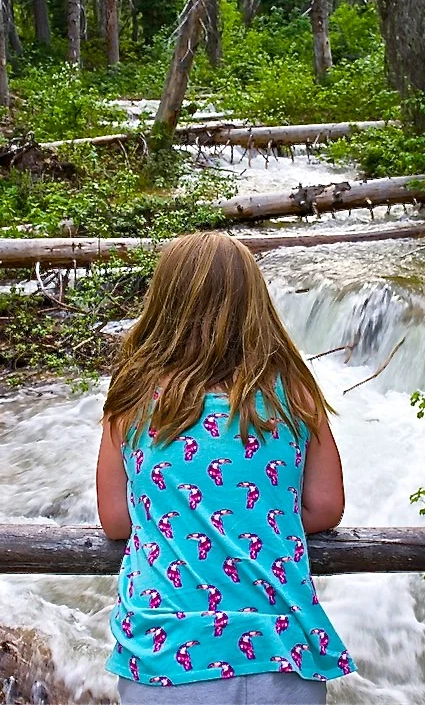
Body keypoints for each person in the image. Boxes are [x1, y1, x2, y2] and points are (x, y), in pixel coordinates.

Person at [97, 232, 357, 704]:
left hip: (163, 655)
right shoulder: (294, 393)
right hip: (279, 651)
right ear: (256, 305)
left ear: (162, 304)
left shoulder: (132, 399)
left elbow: (116, 521)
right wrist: (254, 519)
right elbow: (325, 507)